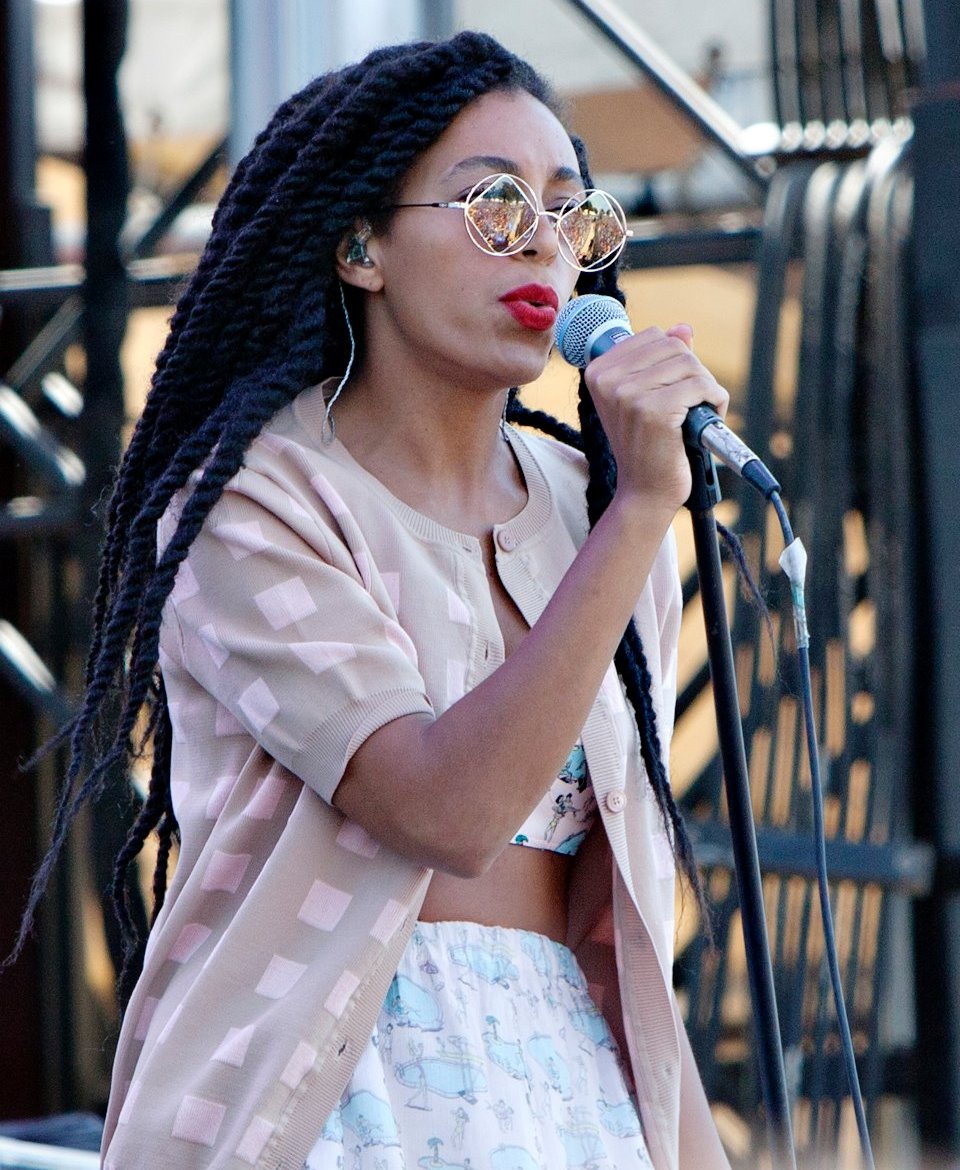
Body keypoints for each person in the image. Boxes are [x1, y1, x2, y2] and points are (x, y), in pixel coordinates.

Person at [26, 30, 733, 1170]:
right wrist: (644, 509)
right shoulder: (251, 501)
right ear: (360, 244)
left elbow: (618, 917)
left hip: (569, 1097)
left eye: (569, 211)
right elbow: (444, 811)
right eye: (493, 205)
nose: (545, 244)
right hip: (332, 1095)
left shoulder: (592, 508)